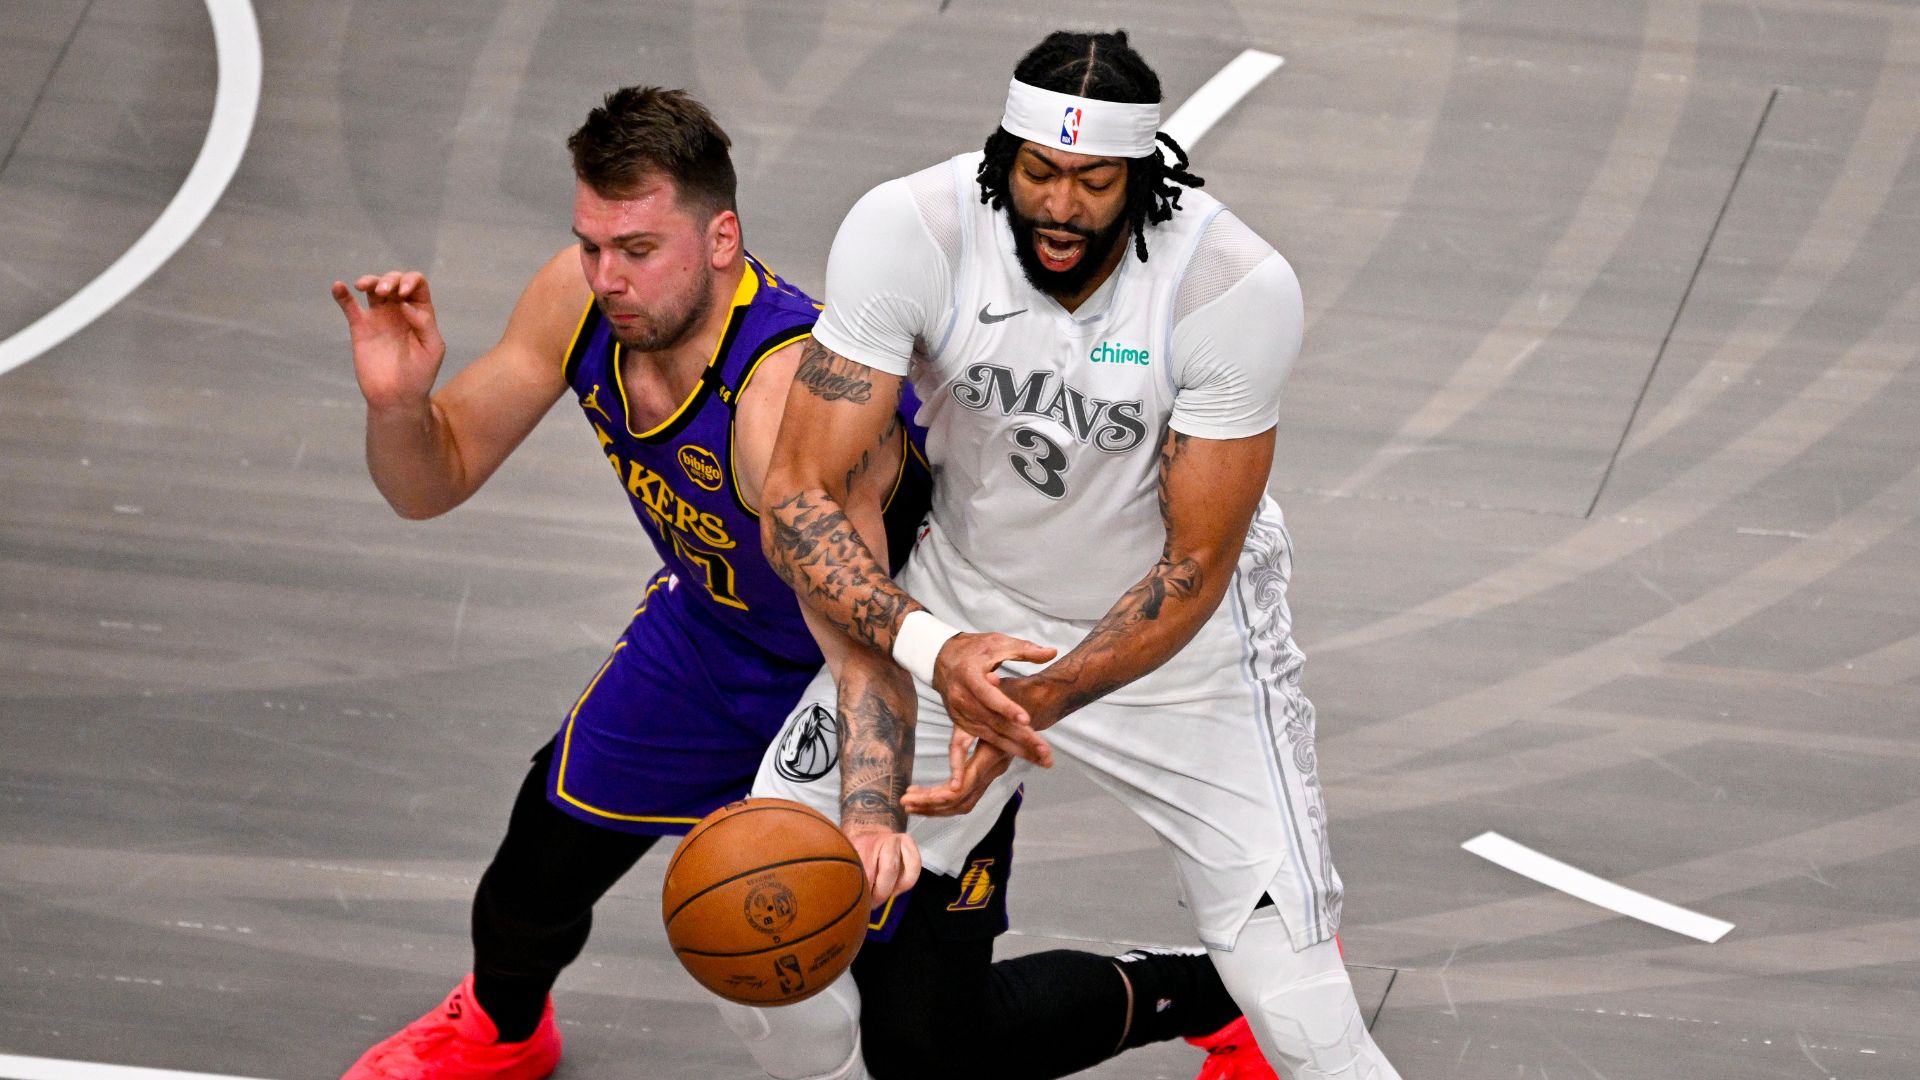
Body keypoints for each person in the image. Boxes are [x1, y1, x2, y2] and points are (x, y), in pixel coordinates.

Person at [329, 86, 1263, 1080]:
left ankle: (1219, 995)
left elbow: (861, 640)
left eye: (639, 249)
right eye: (594, 243)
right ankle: (501, 1031)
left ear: (721, 237)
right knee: (535, 870)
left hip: (894, 665)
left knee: (928, 1048)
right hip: (714, 638)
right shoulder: (578, 298)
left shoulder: (786, 397)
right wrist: (398, 406)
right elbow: (433, 484)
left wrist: (868, 813)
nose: (609, 277)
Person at [752, 29, 1404, 1080]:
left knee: (1301, 1009)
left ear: (1146, 178)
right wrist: (935, 650)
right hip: (965, 604)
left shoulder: (1230, 285)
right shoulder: (910, 229)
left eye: (1094, 181)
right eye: (1038, 171)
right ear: (1000, 157)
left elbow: (1193, 568)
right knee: (763, 922)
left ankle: (1230, 993)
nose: (1059, 205)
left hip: (1183, 654)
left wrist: (1038, 700)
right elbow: (800, 496)